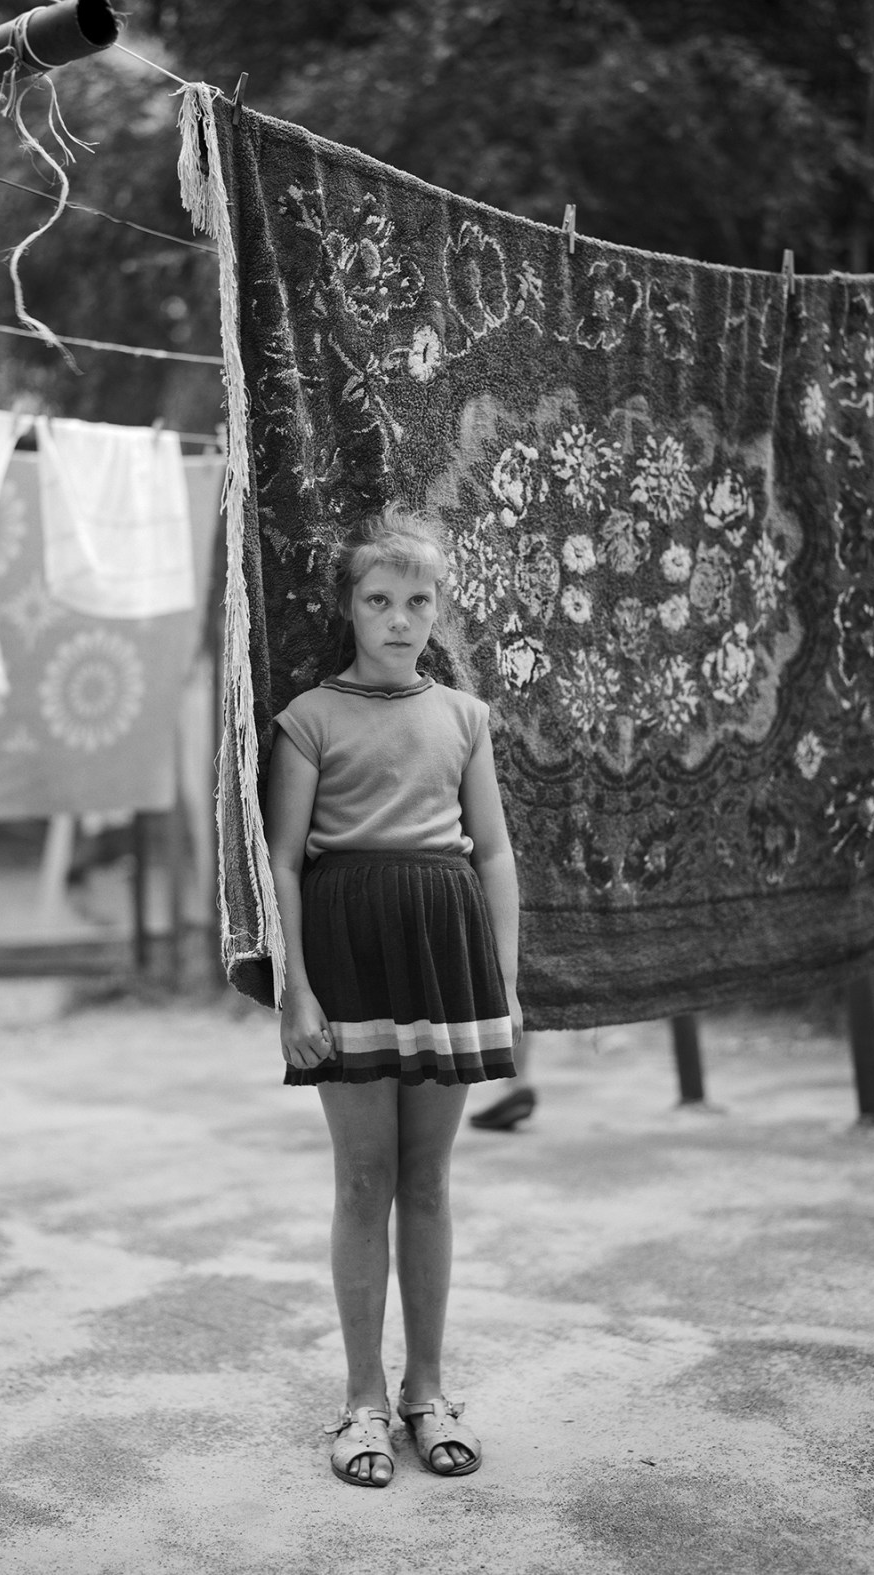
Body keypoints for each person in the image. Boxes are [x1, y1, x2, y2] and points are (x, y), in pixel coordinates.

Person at [267, 513, 522, 1488]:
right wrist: (296, 990)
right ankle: (360, 1403)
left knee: (428, 1181)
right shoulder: (306, 719)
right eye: (378, 600)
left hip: (446, 955)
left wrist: (503, 985)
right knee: (363, 1180)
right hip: (349, 952)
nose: (399, 618)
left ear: (436, 608)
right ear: (347, 608)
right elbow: (283, 863)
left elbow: (492, 853)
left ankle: (425, 1390)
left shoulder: (463, 716)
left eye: (417, 600)